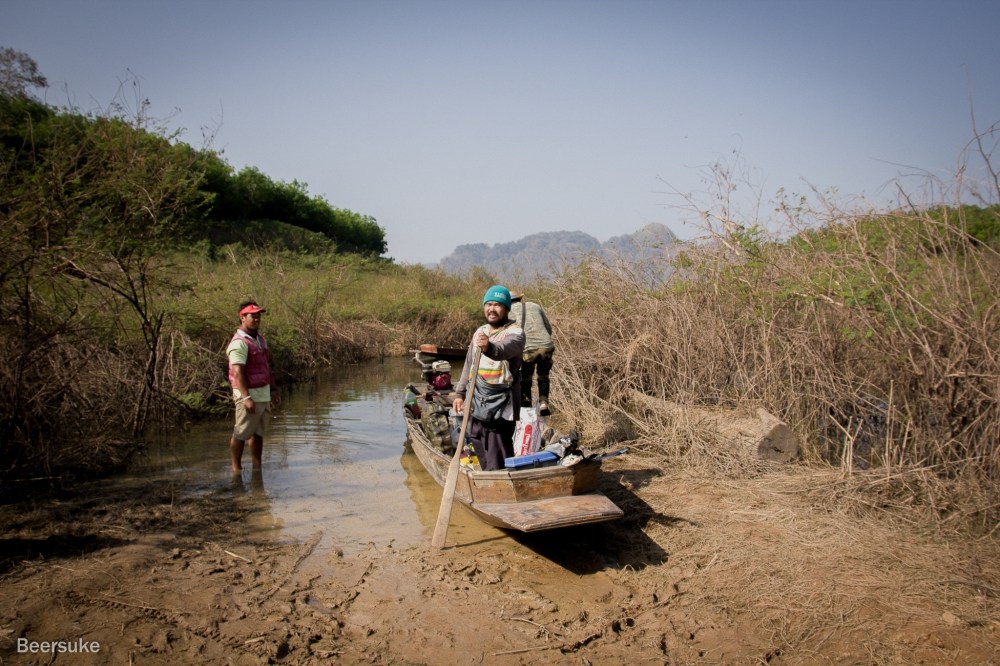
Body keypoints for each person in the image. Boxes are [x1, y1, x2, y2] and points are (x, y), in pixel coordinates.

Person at [452, 285, 526, 471]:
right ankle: (487, 484)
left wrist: (489, 347)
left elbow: (502, 350)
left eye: (498, 305)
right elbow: (469, 365)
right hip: (476, 404)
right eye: (489, 304)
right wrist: (459, 393)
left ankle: (502, 492)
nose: (492, 309)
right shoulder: (480, 331)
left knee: (498, 460)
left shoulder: (516, 333)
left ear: (507, 309)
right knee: (480, 449)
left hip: (499, 408)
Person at [226, 301, 280, 472]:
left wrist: (274, 389)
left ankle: (257, 468)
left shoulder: (260, 340)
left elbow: (266, 367)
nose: (256, 319)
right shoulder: (239, 343)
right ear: (242, 317)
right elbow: (237, 372)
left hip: (263, 393)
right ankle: (236, 470)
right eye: (252, 315)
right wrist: (246, 397)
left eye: (258, 315)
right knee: (241, 433)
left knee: (258, 433)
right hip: (249, 395)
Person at [510, 292, 555, 414]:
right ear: (520, 298)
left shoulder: (508, 311)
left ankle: (526, 404)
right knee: (543, 376)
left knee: (525, 378)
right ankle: (543, 403)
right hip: (546, 346)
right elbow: (548, 328)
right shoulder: (535, 306)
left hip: (527, 350)